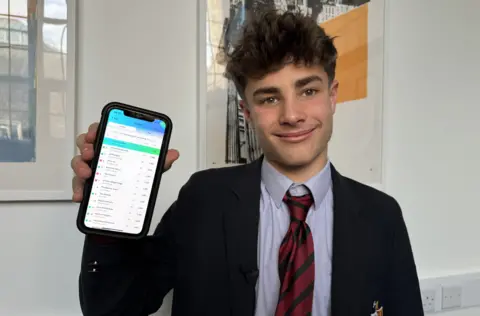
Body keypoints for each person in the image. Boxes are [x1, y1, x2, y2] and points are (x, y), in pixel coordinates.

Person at [71, 10, 424, 316]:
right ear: (248, 112)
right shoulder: (202, 199)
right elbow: (113, 307)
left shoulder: (383, 216)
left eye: (308, 91)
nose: (291, 115)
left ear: (332, 96)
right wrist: (108, 215)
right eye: (270, 98)